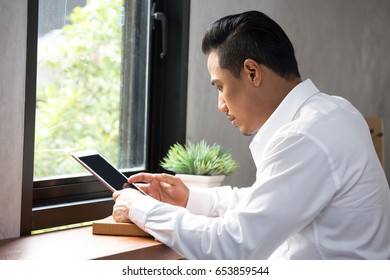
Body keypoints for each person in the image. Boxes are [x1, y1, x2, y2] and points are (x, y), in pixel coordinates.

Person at [112, 10, 390, 259]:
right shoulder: (336, 110)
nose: (220, 105)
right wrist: (190, 199)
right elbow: (268, 200)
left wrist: (141, 208)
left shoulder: (303, 137)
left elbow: (233, 246)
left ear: (253, 72)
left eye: (220, 87)